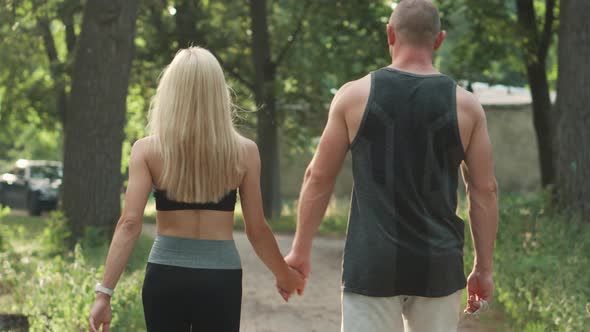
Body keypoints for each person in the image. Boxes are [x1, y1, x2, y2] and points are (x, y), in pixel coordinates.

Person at [285, 0, 499, 331]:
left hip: (372, 264)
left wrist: (299, 252)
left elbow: (317, 177)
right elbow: (484, 190)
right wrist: (483, 269)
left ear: (390, 34)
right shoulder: (467, 107)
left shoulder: (353, 97)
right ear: (439, 40)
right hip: (438, 266)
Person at [88, 47, 304, 332]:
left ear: (170, 92)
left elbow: (129, 224)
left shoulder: (147, 150)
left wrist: (105, 294)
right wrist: (284, 275)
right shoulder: (244, 152)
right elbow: (257, 229)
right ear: (219, 93)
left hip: (165, 276)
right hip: (220, 278)